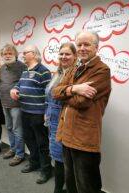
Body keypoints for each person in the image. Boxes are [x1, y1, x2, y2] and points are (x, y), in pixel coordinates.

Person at [52, 30, 112, 193]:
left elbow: (81, 101)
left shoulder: (102, 70)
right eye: (79, 45)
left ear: (96, 47)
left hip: (84, 138)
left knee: (87, 186)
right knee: (70, 183)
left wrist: (66, 92)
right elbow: (55, 92)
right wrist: (75, 88)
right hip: (67, 134)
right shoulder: (75, 67)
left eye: (87, 44)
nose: (82, 48)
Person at [45, 42, 94, 193]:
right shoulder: (58, 73)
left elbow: (76, 99)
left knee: (61, 158)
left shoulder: (77, 74)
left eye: (67, 54)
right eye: (61, 54)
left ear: (75, 56)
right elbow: (49, 96)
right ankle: (61, 187)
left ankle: (59, 189)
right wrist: (46, 112)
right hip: (52, 119)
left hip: (66, 119)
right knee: (57, 155)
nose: (63, 57)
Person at [10, 45, 52, 184]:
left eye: (25, 52)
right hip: (25, 111)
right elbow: (19, 85)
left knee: (42, 143)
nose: (22, 55)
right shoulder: (25, 71)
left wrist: (47, 112)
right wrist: (14, 89)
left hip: (38, 113)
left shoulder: (43, 71)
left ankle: (46, 170)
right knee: (29, 140)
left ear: (33, 54)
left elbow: (49, 94)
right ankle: (34, 163)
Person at [0, 44, 27, 166]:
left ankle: (19, 154)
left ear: (15, 54)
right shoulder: (2, 68)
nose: (7, 55)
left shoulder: (22, 66)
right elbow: (1, 82)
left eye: (10, 53)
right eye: (5, 54)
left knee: (17, 129)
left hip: (16, 104)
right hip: (4, 102)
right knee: (9, 127)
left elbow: (25, 83)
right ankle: (13, 148)